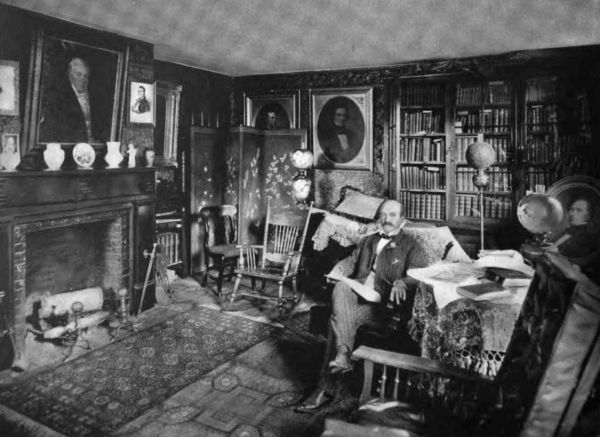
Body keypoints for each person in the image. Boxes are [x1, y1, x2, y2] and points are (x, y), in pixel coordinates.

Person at [38, 56, 110, 144]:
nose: (83, 80)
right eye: (79, 75)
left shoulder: (95, 98)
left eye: (86, 76)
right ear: (70, 75)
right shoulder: (60, 98)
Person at [545, 196, 600, 279]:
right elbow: (552, 246)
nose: (572, 213)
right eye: (572, 209)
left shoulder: (585, 236)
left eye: (579, 210)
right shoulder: (568, 232)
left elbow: (561, 252)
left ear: (589, 215)